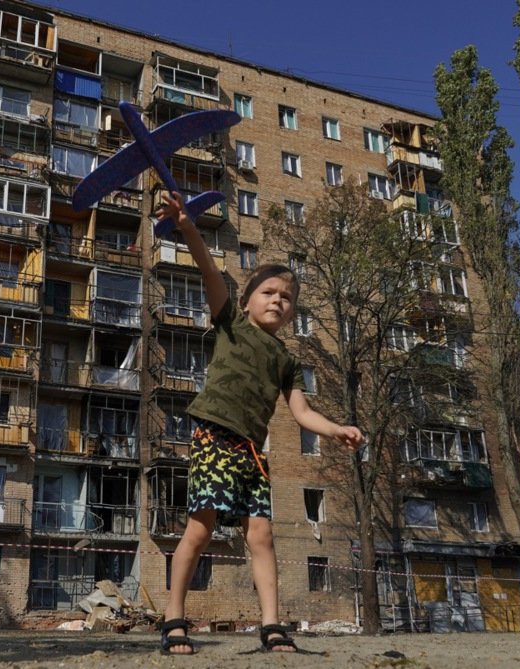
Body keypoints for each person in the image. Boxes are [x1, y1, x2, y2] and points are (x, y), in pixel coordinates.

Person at [154, 192, 363, 655]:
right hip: (214, 437)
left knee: (262, 534)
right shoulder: (230, 322)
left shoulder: (286, 359)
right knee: (201, 528)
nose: (279, 301)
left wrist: (336, 429)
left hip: (252, 452)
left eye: (287, 298)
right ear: (246, 300)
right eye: (269, 292)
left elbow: (302, 412)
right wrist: (188, 227)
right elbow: (210, 271)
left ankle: (270, 625)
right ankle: (173, 618)